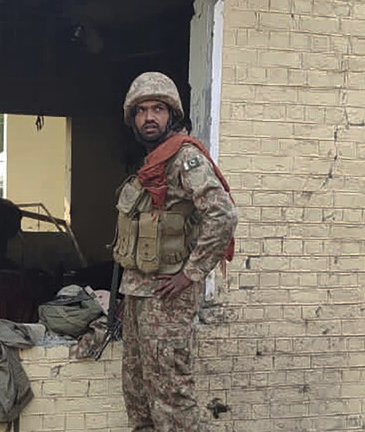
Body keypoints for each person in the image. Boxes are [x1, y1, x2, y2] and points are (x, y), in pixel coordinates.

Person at [114, 71, 238, 431]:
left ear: (172, 115)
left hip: (167, 298)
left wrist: (191, 273)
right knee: (138, 393)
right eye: (141, 111)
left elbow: (223, 215)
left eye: (157, 109)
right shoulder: (152, 162)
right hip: (138, 293)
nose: (149, 117)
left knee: (170, 397)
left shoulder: (184, 157)